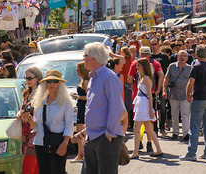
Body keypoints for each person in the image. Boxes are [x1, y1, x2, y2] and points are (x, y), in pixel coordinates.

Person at [83, 42, 126, 174]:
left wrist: (110, 133)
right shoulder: (93, 77)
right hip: (92, 137)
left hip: (105, 137)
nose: (82, 58)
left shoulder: (108, 77)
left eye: (85, 55)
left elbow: (116, 107)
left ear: (93, 58)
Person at [23, 70, 73, 174]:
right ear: (45, 84)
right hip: (40, 142)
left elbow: (69, 125)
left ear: (60, 84)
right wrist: (29, 119)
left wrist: (65, 143)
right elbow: (36, 126)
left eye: (55, 81)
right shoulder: (39, 101)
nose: (52, 84)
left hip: (58, 143)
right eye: (49, 81)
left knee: (58, 171)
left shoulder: (66, 102)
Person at [180, 44, 206, 161]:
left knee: (195, 127)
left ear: (196, 54)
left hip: (199, 98)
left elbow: (190, 83)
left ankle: (191, 153)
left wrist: (188, 95)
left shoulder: (196, 67)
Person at [130, 58, 163, 158]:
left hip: (144, 105)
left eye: (138, 65)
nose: (137, 67)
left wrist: (150, 109)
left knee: (137, 128)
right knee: (148, 129)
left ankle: (135, 152)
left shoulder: (146, 78)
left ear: (142, 66)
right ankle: (158, 149)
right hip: (142, 104)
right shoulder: (143, 77)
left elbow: (149, 94)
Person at [19, 67, 43, 174]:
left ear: (37, 78)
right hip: (26, 132)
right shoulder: (27, 93)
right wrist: (19, 114)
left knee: (28, 168)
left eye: (29, 78)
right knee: (35, 168)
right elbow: (22, 108)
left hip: (35, 133)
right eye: (26, 78)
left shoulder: (41, 94)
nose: (27, 80)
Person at [163, 50, 192, 140]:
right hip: (173, 94)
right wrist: (164, 90)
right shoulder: (172, 67)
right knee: (174, 114)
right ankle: (175, 132)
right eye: (180, 56)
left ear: (187, 58)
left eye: (184, 56)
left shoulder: (190, 68)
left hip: (185, 95)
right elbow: (166, 79)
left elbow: (192, 81)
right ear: (177, 57)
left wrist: (191, 93)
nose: (182, 57)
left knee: (185, 114)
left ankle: (186, 133)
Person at [70, 62, 89, 164]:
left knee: (81, 131)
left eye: (77, 69)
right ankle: (80, 154)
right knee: (79, 130)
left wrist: (78, 97)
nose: (76, 71)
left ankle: (81, 154)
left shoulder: (86, 81)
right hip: (80, 107)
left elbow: (89, 97)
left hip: (84, 107)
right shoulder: (83, 81)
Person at [150, 38, 170, 135]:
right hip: (151, 86)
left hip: (162, 85)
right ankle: (155, 129)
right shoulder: (149, 58)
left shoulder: (164, 57)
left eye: (155, 44)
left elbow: (168, 72)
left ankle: (162, 127)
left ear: (159, 45)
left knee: (162, 107)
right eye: (152, 44)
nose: (153, 46)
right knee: (153, 108)